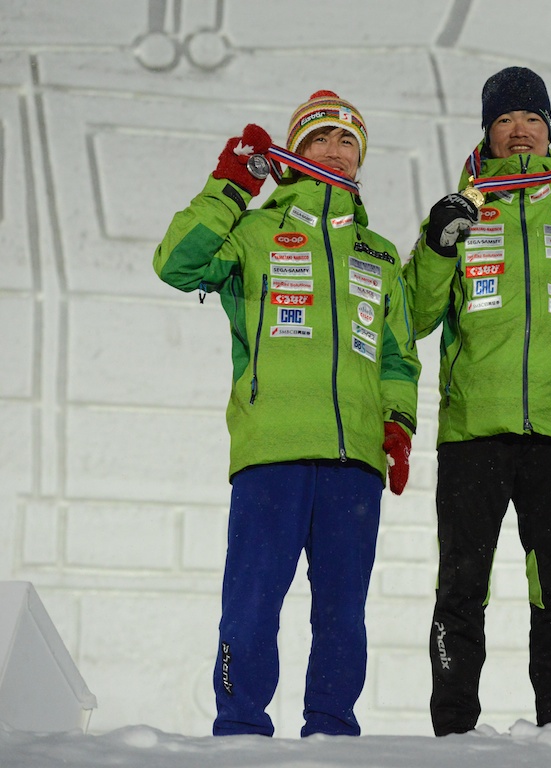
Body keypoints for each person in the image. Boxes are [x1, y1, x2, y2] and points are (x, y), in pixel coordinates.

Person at [153, 90, 420, 737]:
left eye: (347, 143)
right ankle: (238, 724)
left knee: (343, 612)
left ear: (360, 160)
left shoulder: (378, 253)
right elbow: (176, 264)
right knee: (250, 605)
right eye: (320, 140)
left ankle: (332, 731)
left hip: (353, 459)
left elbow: (397, 357)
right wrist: (228, 187)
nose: (335, 151)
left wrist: (397, 424)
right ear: (294, 154)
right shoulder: (253, 233)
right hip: (270, 451)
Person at [403, 66, 551, 736]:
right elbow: (413, 316)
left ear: (548, 131)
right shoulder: (457, 212)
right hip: (473, 431)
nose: (520, 132)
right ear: (487, 130)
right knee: (461, 588)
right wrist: (436, 244)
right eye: (506, 120)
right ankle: (452, 730)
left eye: (532, 120)